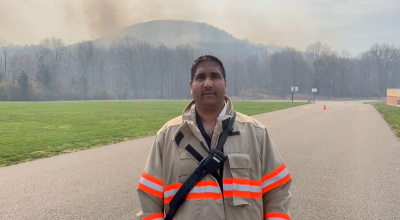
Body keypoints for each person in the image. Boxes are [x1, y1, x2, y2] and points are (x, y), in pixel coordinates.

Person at [136, 55, 292, 220]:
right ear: (191, 86)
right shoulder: (167, 137)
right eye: (200, 77)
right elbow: (150, 202)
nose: (208, 83)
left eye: (215, 76)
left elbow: (277, 194)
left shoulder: (256, 133)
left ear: (225, 84)